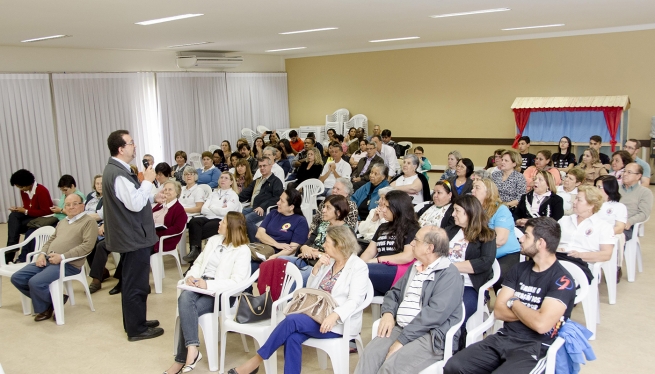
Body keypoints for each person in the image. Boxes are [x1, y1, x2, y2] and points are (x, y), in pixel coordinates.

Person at [444, 217, 576, 374]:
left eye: (526, 235)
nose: (521, 238)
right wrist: (533, 314)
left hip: (536, 347)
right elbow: (499, 311)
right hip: (504, 337)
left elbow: (541, 325)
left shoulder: (562, 280)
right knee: (454, 366)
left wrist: (514, 302)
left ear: (541, 243)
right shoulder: (518, 269)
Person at [229, 226, 369, 374]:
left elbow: (355, 300)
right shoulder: (329, 262)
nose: (323, 245)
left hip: (337, 323)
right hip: (315, 315)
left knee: (292, 321)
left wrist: (335, 316)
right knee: (293, 338)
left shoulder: (358, 267)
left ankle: (254, 362)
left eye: (327, 242)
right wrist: (316, 269)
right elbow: (311, 291)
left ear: (339, 244)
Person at [355, 226, 464, 374]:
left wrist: (402, 341)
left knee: (391, 367)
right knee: (369, 356)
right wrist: (387, 313)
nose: (412, 243)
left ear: (429, 248)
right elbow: (393, 293)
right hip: (401, 327)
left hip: (431, 336)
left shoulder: (449, 274)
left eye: (416, 240)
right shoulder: (416, 267)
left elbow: (434, 315)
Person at [164, 212, 251, 374]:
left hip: (222, 294)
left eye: (223, 222)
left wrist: (208, 284)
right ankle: (192, 349)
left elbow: (237, 282)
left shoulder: (242, 250)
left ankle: (180, 361)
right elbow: (198, 263)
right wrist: (190, 277)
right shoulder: (213, 240)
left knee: (188, 307)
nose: (219, 223)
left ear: (231, 227)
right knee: (185, 297)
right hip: (200, 284)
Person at [102, 129, 163, 341]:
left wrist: (154, 197)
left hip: (132, 234)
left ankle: (136, 321)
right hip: (133, 237)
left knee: (132, 281)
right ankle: (136, 329)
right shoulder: (118, 174)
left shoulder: (118, 170)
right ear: (121, 149)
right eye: (131, 143)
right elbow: (135, 204)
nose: (134, 146)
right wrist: (147, 181)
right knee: (135, 284)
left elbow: (133, 199)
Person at [10, 194, 96, 322]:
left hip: (68, 264)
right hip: (49, 259)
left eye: (75, 203)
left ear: (82, 205)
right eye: (67, 204)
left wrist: (62, 257)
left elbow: (87, 246)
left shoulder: (89, 222)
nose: (71, 207)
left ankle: (46, 307)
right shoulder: (63, 222)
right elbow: (50, 240)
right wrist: (42, 254)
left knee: (35, 282)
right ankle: (55, 301)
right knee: (17, 277)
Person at [360, 190, 420, 296]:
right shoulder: (383, 227)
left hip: (399, 270)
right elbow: (369, 252)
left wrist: (378, 260)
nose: (383, 210)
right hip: (380, 270)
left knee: (363, 272)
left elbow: (407, 256)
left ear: (398, 208)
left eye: (387, 207)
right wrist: (357, 265)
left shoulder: (412, 228)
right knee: (352, 274)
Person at [448, 195, 496, 327]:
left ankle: (454, 344)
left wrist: (451, 267)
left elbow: (486, 262)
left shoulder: (487, 234)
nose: (453, 214)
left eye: (457, 210)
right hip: (444, 282)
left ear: (469, 212)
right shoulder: (451, 230)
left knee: (456, 316)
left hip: (469, 286)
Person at [280, 194, 349, 285]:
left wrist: (318, 254)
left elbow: (341, 259)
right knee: (279, 262)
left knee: (295, 279)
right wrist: (304, 248)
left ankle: (289, 298)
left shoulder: (346, 232)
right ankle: (270, 296)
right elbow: (307, 243)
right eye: (324, 207)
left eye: (328, 208)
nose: (323, 210)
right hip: (306, 260)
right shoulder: (322, 225)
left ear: (338, 212)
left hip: (321, 268)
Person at [18, 174, 87, 262]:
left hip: (65, 222)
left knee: (35, 232)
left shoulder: (78, 197)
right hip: (57, 218)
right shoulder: (66, 195)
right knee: (31, 231)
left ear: (72, 186)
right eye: (62, 190)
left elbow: (77, 214)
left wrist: (61, 210)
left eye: (65, 190)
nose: (64, 192)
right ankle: (25, 258)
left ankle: (28, 258)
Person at [471, 178, 521, 290]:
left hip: (506, 254)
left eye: (477, 188)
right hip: (483, 254)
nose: (472, 191)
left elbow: (500, 240)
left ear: (488, 191)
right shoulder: (475, 211)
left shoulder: (501, 209)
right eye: (472, 187)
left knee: (500, 277)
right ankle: (481, 303)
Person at [184, 172, 241, 262]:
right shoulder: (214, 193)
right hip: (207, 217)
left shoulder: (233, 195)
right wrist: (218, 209)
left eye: (226, 178)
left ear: (231, 182)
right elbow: (203, 209)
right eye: (221, 177)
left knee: (197, 232)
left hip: (221, 220)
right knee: (193, 222)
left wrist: (212, 207)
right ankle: (195, 253)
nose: (223, 179)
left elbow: (226, 212)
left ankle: (194, 256)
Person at [6, 169, 54, 263]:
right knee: (13, 215)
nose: (20, 189)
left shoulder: (41, 191)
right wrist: (20, 210)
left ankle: (10, 252)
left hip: (42, 218)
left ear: (27, 184)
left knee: (15, 226)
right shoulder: (24, 191)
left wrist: (26, 211)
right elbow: (28, 208)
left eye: (20, 187)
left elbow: (46, 212)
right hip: (31, 216)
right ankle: (12, 247)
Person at [557, 186, 614, 263]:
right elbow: (549, 242)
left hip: (582, 263)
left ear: (591, 205)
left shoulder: (603, 226)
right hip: (558, 259)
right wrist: (555, 248)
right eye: (575, 198)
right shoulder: (564, 220)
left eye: (579, 200)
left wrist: (580, 255)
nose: (574, 202)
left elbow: (606, 254)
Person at [254, 187, 309, 266]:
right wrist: (276, 244)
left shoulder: (300, 221)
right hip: (261, 249)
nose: (278, 203)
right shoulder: (273, 213)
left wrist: (275, 256)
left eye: (282, 201)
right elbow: (259, 234)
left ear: (291, 207)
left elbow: (292, 248)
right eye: (279, 199)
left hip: (277, 256)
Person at [239, 156, 284, 241]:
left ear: (271, 166)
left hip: (267, 210)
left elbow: (277, 198)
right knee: (235, 214)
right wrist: (233, 199)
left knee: (248, 219)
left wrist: (263, 206)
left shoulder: (276, 181)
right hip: (254, 207)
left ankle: (256, 243)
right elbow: (245, 194)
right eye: (260, 166)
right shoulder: (257, 181)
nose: (262, 168)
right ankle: (241, 240)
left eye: (264, 165)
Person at [595, 175, 628, 278]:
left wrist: (603, 233)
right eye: (595, 186)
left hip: (609, 234)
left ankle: (616, 267)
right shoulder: (592, 203)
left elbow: (619, 227)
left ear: (609, 188)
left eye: (599, 187)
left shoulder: (619, 207)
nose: (596, 190)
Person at [619, 162, 653, 240]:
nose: (625, 174)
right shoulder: (616, 188)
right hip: (611, 222)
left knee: (612, 237)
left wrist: (630, 221)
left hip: (629, 226)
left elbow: (644, 213)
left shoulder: (645, 192)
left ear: (638, 176)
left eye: (629, 172)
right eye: (624, 171)